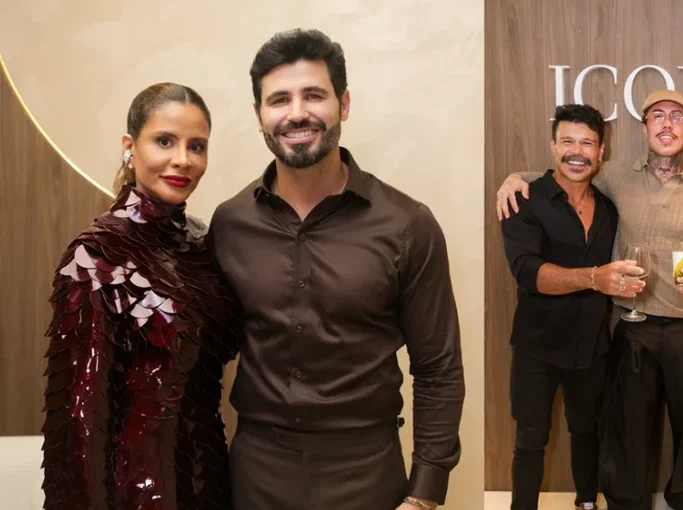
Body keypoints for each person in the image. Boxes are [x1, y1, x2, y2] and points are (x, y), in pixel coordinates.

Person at [208, 29, 465, 510]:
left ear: (343, 104)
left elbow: (438, 368)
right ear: (259, 115)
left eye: (314, 95)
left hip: (365, 473)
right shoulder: (229, 224)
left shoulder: (408, 224)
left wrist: (425, 494)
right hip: (255, 472)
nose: (296, 113)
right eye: (279, 99)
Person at [496, 89, 683, 510]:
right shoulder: (616, 176)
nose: (666, 124)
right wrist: (516, 177)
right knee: (628, 431)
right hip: (633, 324)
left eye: (676, 117)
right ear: (644, 128)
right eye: (657, 116)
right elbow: (568, 173)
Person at [41, 83, 241, 509]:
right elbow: (79, 421)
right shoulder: (95, 257)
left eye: (197, 146)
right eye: (164, 141)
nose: (183, 159)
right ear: (130, 147)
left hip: (212, 482)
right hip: (136, 493)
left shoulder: (204, 242)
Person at [501, 104, 645, 510]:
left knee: (588, 432)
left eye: (587, 143)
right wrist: (595, 277)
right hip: (536, 347)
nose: (576, 152)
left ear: (601, 151)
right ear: (553, 146)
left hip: (592, 346)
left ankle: (586, 503)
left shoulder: (609, 208)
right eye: (568, 141)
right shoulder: (523, 200)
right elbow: (528, 272)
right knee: (531, 439)